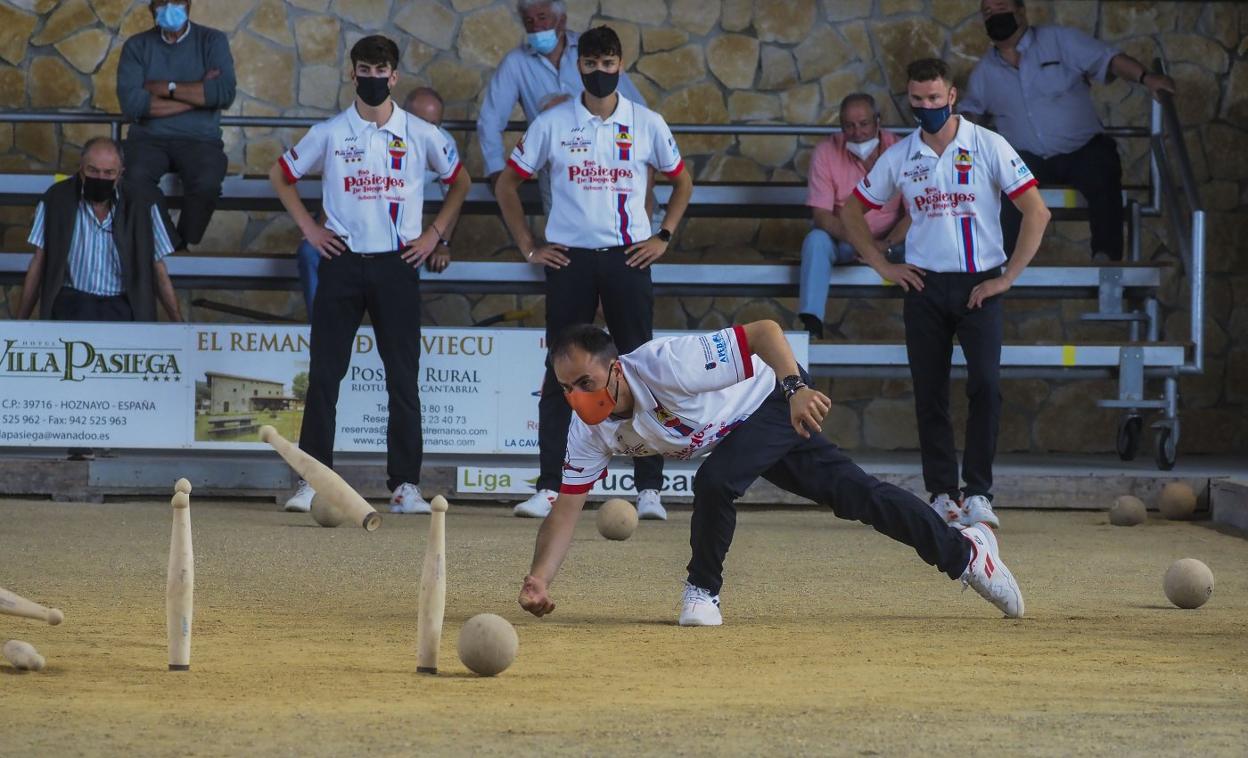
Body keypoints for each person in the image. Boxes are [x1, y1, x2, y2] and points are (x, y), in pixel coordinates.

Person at [516, 321, 1024, 626]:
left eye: (584, 380)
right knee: (858, 495)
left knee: (715, 482)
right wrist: (539, 579)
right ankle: (967, 547)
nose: (576, 395)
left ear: (616, 369)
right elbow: (565, 510)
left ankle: (702, 591)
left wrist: (796, 388)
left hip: (773, 402)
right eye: (565, 387)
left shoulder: (670, 364)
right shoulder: (589, 431)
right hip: (735, 433)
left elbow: (764, 333)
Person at [841, 58, 1051, 529]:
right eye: (918, 100)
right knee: (929, 392)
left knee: (986, 386)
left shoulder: (987, 144)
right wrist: (883, 266)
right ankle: (942, 492)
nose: (927, 107)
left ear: (952, 95)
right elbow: (851, 210)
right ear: (909, 99)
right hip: (925, 283)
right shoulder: (901, 156)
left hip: (982, 282)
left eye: (935, 98)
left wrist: (1007, 278)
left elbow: (1037, 211)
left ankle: (979, 493)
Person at [494, 26, 694, 522]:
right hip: (571, 260)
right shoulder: (552, 122)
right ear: (578, 66)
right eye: (591, 63)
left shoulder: (646, 122)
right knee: (559, 372)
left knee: (641, 370)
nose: (600, 72)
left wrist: (663, 236)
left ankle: (649, 489)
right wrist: (529, 245)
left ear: (620, 65)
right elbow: (506, 183)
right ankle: (550, 486)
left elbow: (682, 180)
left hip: (629, 257)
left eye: (609, 63)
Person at [268, 36, 471, 515]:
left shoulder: (420, 132)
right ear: (352, 73)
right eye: (365, 69)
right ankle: (312, 481)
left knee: (403, 378)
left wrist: (435, 233)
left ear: (394, 76)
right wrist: (310, 230)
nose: (374, 78)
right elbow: (280, 175)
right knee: (324, 375)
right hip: (340, 261)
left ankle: (404, 486)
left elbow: (460, 180)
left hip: (398, 264)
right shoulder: (331, 132)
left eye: (382, 70)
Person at [959, 0, 1175, 262]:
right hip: (1027, 159)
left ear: (1021, 11)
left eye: (1001, 7)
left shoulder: (1059, 40)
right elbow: (970, 114)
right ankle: (999, 262)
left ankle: (1105, 257)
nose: (994, 16)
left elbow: (1108, 59)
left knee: (1103, 170)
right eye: (987, 13)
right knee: (1002, 178)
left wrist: (1147, 78)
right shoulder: (984, 72)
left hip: (1082, 150)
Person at [18, 137, 183, 460]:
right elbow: (39, 259)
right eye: (93, 170)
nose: (100, 177)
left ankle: (108, 435)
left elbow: (158, 266)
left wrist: (177, 323)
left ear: (120, 173)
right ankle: (81, 438)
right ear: (80, 169)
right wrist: (21, 320)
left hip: (122, 301)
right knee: (76, 354)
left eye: (108, 172)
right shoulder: (56, 199)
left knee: (119, 350)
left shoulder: (143, 202)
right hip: (73, 297)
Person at [295, 87, 455, 318]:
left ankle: (394, 332)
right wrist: (317, 228)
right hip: (351, 229)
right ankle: (319, 326)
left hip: (398, 237)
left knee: (410, 258)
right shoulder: (371, 131)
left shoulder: (440, 142)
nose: (428, 129)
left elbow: (455, 191)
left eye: (435, 123)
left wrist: (441, 241)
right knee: (310, 252)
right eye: (422, 121)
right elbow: (339, 181)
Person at [477, 0, 646, 212]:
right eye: (529, 20)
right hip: (557, 173)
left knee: (624, 231)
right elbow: (490, 119)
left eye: (542, 17)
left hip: (609, 165)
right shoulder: (516, 62)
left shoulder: (592, 52)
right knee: (562, 241)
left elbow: (638, 108)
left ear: (562, 20)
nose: (536, 26)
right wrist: (496, 169)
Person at [116, 0, 236, 249]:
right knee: (132, 178)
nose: (170, 7)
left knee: (207, 181)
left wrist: (164, 88)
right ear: (151, 7)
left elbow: (223, 93)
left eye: (177, 1)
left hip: (201, 142)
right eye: (162, 1)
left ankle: (183, 242)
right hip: (146, 141)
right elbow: (134, 105)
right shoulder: (136, 46)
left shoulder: (212, 41)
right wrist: (200, 96)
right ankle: (170, 243)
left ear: (189, 4)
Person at [797, 93, 910, 340]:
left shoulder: (902, 150)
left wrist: (886, 246)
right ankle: (811, 323)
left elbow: (914, 214)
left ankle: (927, 328)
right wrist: (862, 243)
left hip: (893, 243)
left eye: (864, 124)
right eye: (849, 125)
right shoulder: (826, 152)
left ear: (878, 121)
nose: (857, 132)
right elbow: (822, 215)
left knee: (926, 244)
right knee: (815, 241)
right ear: (841, 126)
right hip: (845, 240)